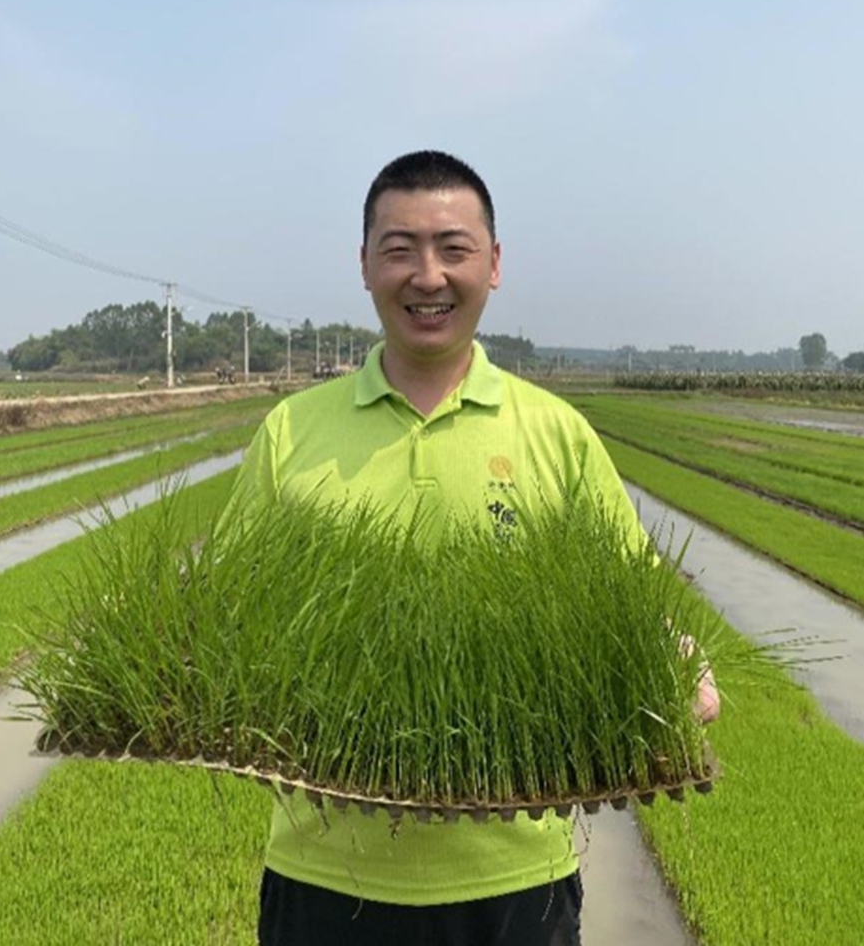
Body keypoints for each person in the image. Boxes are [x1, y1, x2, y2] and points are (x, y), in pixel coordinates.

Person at [225, 150, 718, 945]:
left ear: (494, 265)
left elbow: (629, 610)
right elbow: (233, 614)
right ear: (363, 266)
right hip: (321, 877)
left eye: (453, 249)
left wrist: (670, 659)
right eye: (399, 249)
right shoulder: (291, 432)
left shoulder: (556, 435)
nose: (427, 275)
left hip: (515, 878)